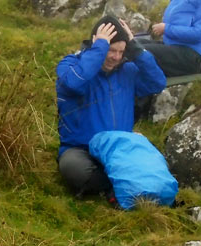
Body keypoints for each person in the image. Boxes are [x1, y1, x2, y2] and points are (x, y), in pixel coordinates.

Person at [56, 16, 166, 200]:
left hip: (119, 149)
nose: (116, 57)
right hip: (82, 150)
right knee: (72, 167)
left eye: (121, 51)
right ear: (95, 43)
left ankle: (117, 186)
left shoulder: (128, 71)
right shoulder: (70, 65)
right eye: (111, 50)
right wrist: (99, 49)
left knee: (154, 161)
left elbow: (157, 82)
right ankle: (124, 185)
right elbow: (74, 84)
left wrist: (135, 47)